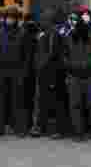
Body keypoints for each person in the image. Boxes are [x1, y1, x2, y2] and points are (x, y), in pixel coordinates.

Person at [63, 7, 91, 141]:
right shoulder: (69, 36)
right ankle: (79, 133)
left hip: (90, 74)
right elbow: (64, 56)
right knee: (76, 105)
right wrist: (70, 67)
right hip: (75, 75)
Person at [30, 9, 66, 139]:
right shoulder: (45, 35)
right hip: (46, 71)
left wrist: (41, 65)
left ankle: (48, 128)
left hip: (51, 72)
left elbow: (52, 54)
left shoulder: (53, 35)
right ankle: (42, 127)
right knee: (43, 100)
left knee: (50, 100)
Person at [0, 7, 28, 137]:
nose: (10, 19)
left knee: (18, 100)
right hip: (1, 69)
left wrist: (24, 71)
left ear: (16, 18)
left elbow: (26, 54)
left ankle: (19, 128)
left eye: (12, 17)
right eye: (8, 17)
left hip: (17, 70)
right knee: (0, 100)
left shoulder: (22, 33)